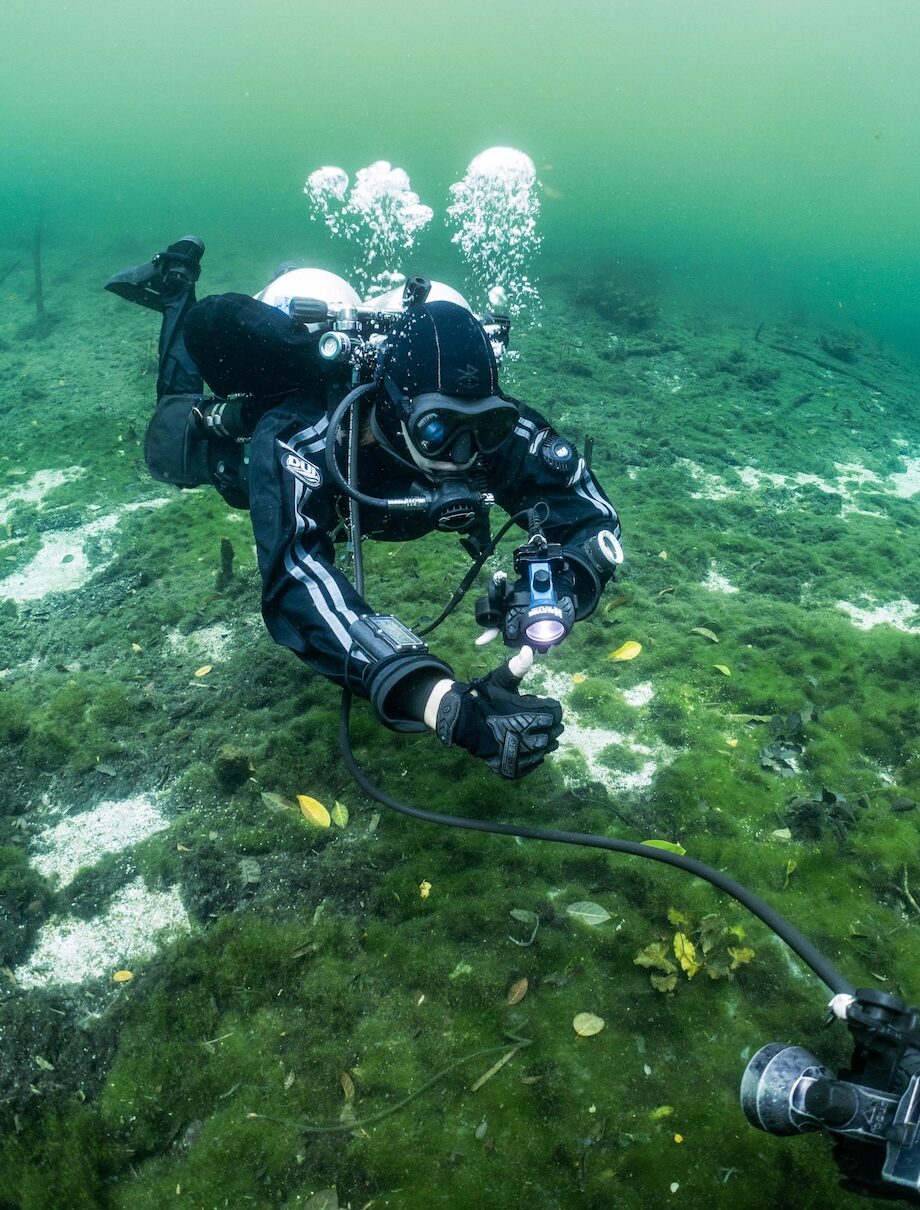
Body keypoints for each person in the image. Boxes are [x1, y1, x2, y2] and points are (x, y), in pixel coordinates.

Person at [105, 238, 624, 780]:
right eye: (437, 428)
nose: (464, 453)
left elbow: (589, 515)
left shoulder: (499, 427)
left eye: (485, 427)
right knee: (173, 440)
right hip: (262, 468)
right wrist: (442, 702)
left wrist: (554, 587)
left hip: (378, 493)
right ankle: (176, 288)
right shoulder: (304, 433)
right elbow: (294, 574)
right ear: (394, 407)